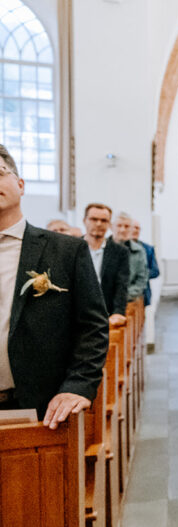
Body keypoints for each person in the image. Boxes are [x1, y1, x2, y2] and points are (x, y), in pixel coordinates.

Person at [0, 144, 108, 428]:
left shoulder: (66, 251)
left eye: (0, 173)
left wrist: (79, 384)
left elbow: (93, 326)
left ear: (20, 184)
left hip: (42, 406)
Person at [83, 202, 129, 327]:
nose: (98, 224)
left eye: (104, 220)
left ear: (109, 224)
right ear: (84, 221)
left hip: (105, 313)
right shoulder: (72, 248)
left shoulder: (120, 252)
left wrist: (118, 312)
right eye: (94, 219)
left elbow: (121, 284)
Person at [113, 212, 149, 302]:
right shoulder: (104, 248)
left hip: (129, 300)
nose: (122, 229)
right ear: (112, 227)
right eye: (119, 225)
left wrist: (123, 296)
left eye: (127, 226)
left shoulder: (139, 250)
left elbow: (142, 278)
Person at [128, 218, 160, 307]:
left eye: (138, 228)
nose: (135, 230)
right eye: (133, 227)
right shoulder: (119, 247)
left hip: (142, 294)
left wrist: (140, 275)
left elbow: (155, 271)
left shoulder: (148, 249)